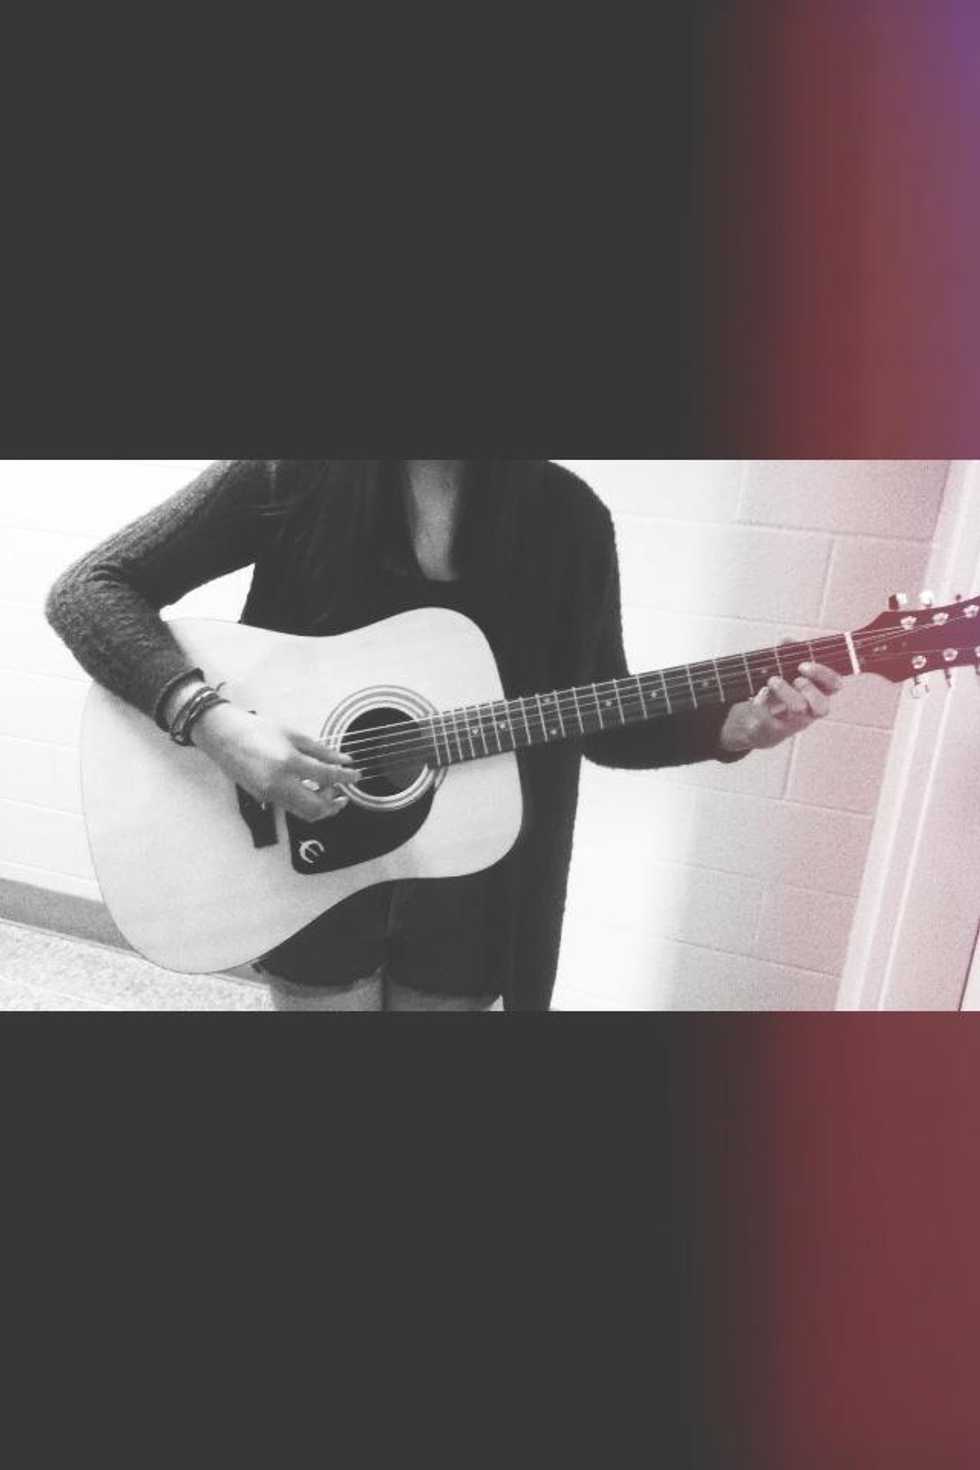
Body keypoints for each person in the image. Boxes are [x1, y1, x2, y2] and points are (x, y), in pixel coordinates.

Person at [45, 460, 844, 1011]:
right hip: (301, 866)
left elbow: (597, 721)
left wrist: (735, 725)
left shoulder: (567, 521)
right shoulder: (291, 474)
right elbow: (89, 590)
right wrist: (214, 724)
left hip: (477, 884)